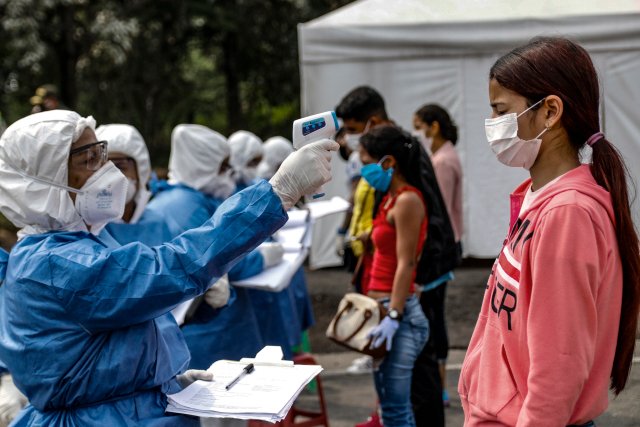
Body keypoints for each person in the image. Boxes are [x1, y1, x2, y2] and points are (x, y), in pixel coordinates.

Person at [0, 110, 336, 426]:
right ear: (44, 180)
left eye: (104, 156)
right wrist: (278, 193)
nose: (108, 173)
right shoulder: (54, 263)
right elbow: (171, 267)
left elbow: (119, 334)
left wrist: (162, 381)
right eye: (91, 159)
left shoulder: (76, 245)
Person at [459, 36, 640, 426]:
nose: (493, 126)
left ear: (550, 111)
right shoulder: (538, 198)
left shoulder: (567, 214)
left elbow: (559, 366)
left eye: (501, 111)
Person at [145, 124, 284, 368]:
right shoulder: (188, 206)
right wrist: (262, 258)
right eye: (222, 167)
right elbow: (221, 256)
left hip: (199, 327)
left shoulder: (176, 199)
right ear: (202, 166)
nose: (229, 174)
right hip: (212, 334)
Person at [358, 125, 430, 427]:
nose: (362, 169)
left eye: (366, 161)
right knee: (389, 407)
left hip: (397, 314)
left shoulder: (407, 201)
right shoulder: (389, 198)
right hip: (383, 310)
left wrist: (395, 314)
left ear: (388, 162)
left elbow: (406, 263)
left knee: (397, 410)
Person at [412, 103, 463, 408]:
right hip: (447, 245)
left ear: (433, 126)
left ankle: (439, 386)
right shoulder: (443, 157)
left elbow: (437, 210)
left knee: (432, 315)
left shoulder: (442, 161)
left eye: (419, 125)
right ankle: (437, 384)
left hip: (441, 249)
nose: (418, 132)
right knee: (433, 313)